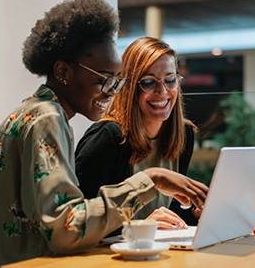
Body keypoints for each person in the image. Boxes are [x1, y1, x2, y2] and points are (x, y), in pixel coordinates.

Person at [0, 0, 207, 268]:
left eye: (116, 81)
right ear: (63, 71)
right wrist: (149, 180)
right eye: (103, 79)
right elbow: (67, 229)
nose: (111, 92)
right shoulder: (47, 118)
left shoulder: (33, 111)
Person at [76, 37, 200, 230]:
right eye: (149, 82)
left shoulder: (184, 134)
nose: (162, 91)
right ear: (129, 87)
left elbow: (170, 209)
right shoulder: (107, 137)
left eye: (170, 80)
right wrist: (139, 226)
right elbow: (79, 220)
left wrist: (194, 213)